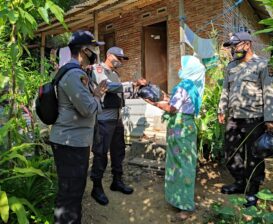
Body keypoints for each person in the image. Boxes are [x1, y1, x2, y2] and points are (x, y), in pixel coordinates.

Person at [49, 30, 107, 224]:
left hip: (74, 141)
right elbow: (88, 109)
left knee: (73, 191)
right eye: (93, 48)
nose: (95, 53)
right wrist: (97, 96)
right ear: (84, 50)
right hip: (69, 143)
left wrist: (94, 93)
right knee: (70, 193)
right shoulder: (74, 74)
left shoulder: (77, 73)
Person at [218, 31, 273, 207]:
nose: (233, 50)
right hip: (234, 117)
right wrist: (221, 109)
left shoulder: (263, 65)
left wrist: (271, 118)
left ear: (247, 44)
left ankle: (253, 190)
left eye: (235, 46)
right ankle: (239, 182)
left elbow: (269, 93)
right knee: (230, 152)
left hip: (255, 118)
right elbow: (225, 90)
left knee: (254, 156)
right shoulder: (231, 66)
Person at [145, 55, 205, 221]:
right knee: (183, 162)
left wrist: (153, 102)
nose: (180, 68)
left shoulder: (184, 85)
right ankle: (179, 200)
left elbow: (172, 108)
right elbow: (180, 102)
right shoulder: (195, 85)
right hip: (188, 126)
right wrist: (165, 97)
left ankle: (185, 206)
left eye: (183, 65)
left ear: (189, 69)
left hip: (180, 128)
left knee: (181, 164)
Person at [90, 46, 142, 206]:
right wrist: (130, 85)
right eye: (118, 57)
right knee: (100, 154)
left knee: (118, 152)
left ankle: (117, 181)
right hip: (103, 119)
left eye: (122, 59)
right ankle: (96, 187)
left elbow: (120, 92)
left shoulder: (115, 74)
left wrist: (137, 89)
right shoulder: (98, 69)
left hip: (117, 119)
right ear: (109, 55)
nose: (120, 61)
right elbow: (107, 86)